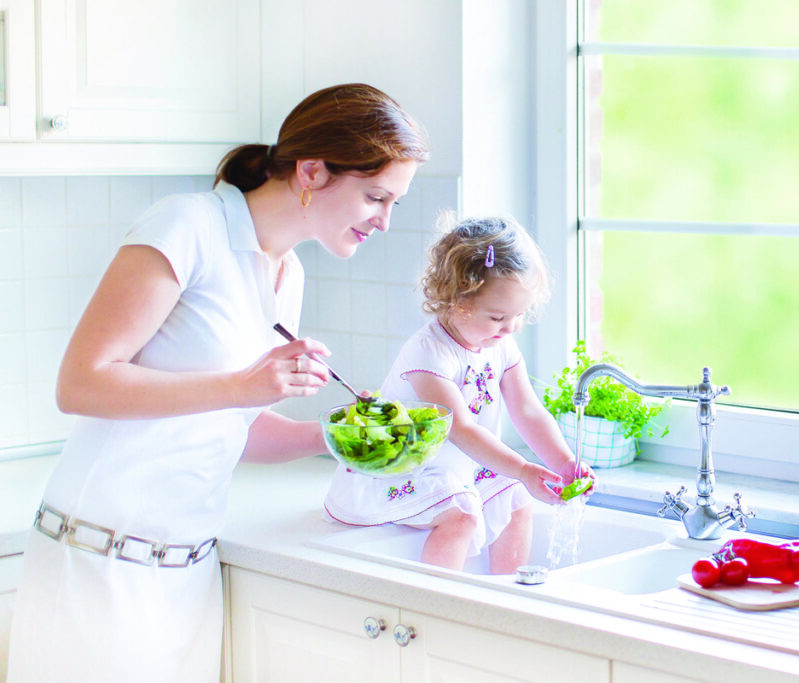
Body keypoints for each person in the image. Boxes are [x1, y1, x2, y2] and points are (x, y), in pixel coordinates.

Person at [7, 83, 429, 683]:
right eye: (375, 197)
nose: (384, 221)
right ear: (311, 172)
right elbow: (80, 383)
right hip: (96, 568)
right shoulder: (187, 225)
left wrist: (344, 439)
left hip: (188, 577)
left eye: (395, 204)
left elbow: (238, 426)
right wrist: (241, 385)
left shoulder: (289, 273)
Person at [324, 215, 596, 573]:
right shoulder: (428, 353)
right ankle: (439, 606)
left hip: (460, 469)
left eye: (520, 314)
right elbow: (461, 428)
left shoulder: (502, 345)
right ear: (456, 300)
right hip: (409, 473)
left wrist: (562, 461)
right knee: (462, 517)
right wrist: (523, 468)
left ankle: (502, 602)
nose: (511, 327)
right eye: (498, 316)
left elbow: (528, 411)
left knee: (516, 500)